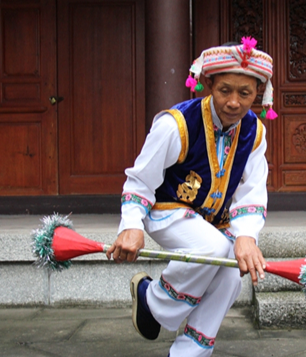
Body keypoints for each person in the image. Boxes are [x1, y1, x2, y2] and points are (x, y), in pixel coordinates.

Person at [106, 37, 277, 357]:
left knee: (230, 275)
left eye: (245, 93)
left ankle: (187, 353)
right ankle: (152, 300)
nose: (234, 103)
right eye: (225, 90)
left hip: (214, 220)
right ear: (209, 84)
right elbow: (140, 180)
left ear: (259, 93)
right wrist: (131, 224)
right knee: (213, 247)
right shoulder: (177, 124)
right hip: (167, 209)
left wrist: (247, 236)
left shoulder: (255, 132)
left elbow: (252, 190)